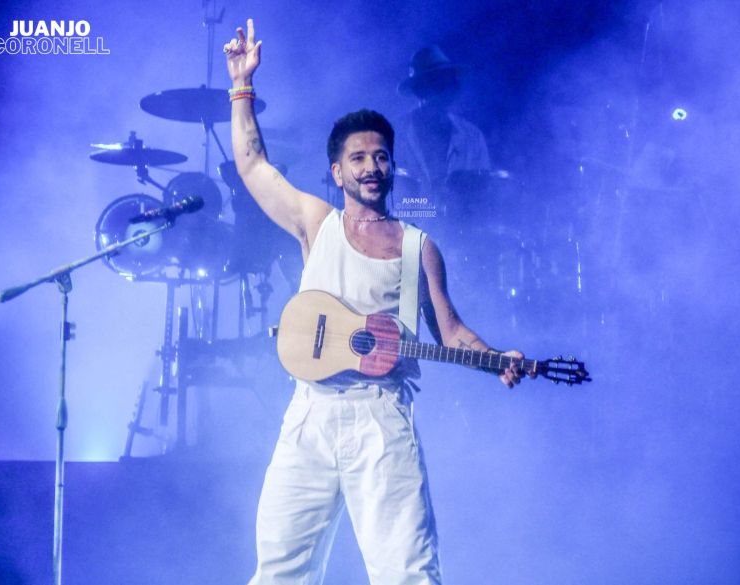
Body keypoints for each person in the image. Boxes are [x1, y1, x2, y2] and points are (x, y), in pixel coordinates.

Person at [225, 20, 527, 585]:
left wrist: (495, 357)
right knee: (279, 573)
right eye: (358, 157)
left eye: (381, 156)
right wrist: (242, 88)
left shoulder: (419, 247)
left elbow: (451, 331)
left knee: (407, 574)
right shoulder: (317, 223)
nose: (372, 166)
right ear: (337, 171)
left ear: (393, 166)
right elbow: (253, 166)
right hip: (309, 414)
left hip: (381, 418)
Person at [395, 45, 492, 217]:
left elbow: (484, 197)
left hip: (463, 235)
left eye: (447, 82)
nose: (444, 90)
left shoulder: (473, 138)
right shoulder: (392, 135)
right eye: (435, 83)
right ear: (419, 90)